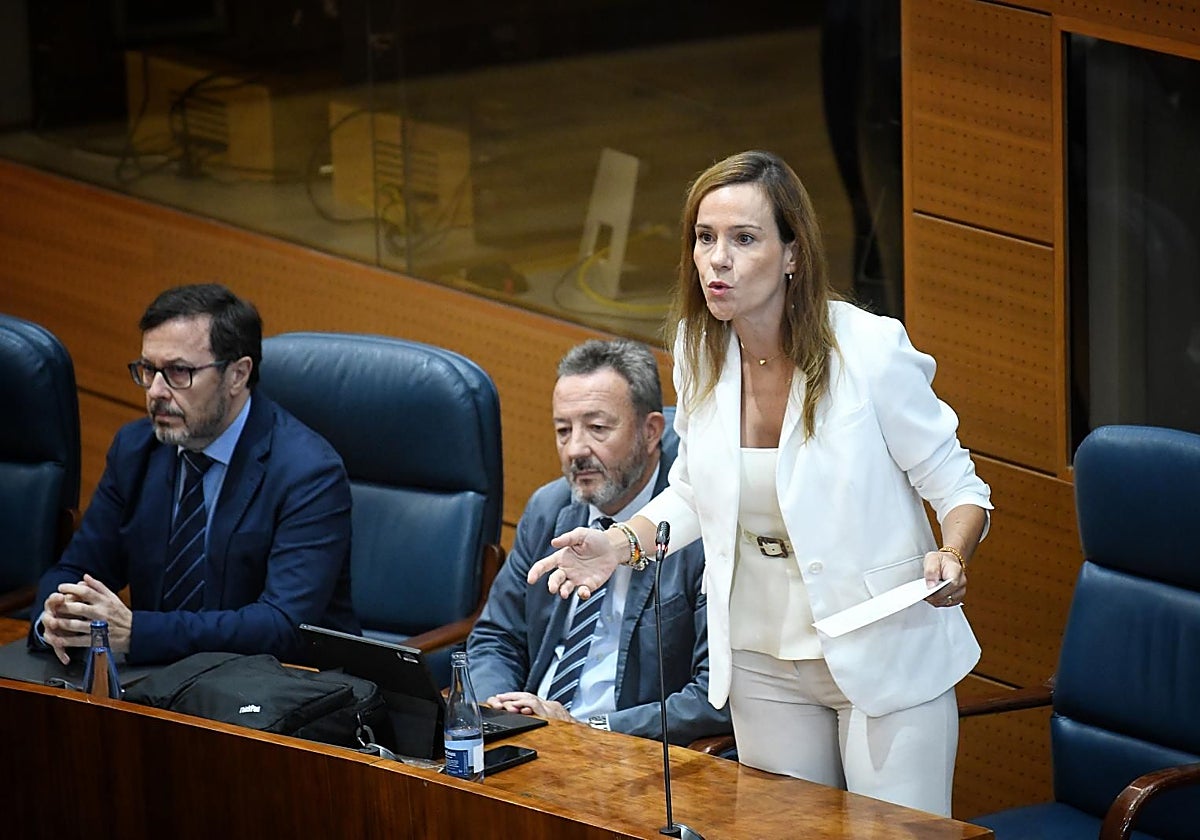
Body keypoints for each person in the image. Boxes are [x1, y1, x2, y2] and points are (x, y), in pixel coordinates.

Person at [529, 150, 992, 815]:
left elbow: (959, 487)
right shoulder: (698, 349)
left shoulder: (869, 351)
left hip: (881, 646)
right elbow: (693, 490)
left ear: (792, 253)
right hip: (758, 652)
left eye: (743, 239)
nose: (718, 259)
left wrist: (952, 553)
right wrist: (618, 543)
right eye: (705, 238)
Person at [31, 283, 359, 666]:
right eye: (148, 370)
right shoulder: (137, 449)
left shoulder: (308, 472)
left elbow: (282, 624)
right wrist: (55, 618)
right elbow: (76, 568)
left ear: (237, 375)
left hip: (277, 694)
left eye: (178, 372)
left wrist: (137, 633)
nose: (155, 391)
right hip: (157, 685)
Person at [467, 339, 731, 745]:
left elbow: (713, 696)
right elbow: (496, 638)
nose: (575, 449)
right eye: (563, 430)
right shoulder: (549, 509)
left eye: (597, 428)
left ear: (650, 432)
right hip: (529, 738)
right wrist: (500, 709)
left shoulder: (697, 529)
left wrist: (589, 731)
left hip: (628, 757)